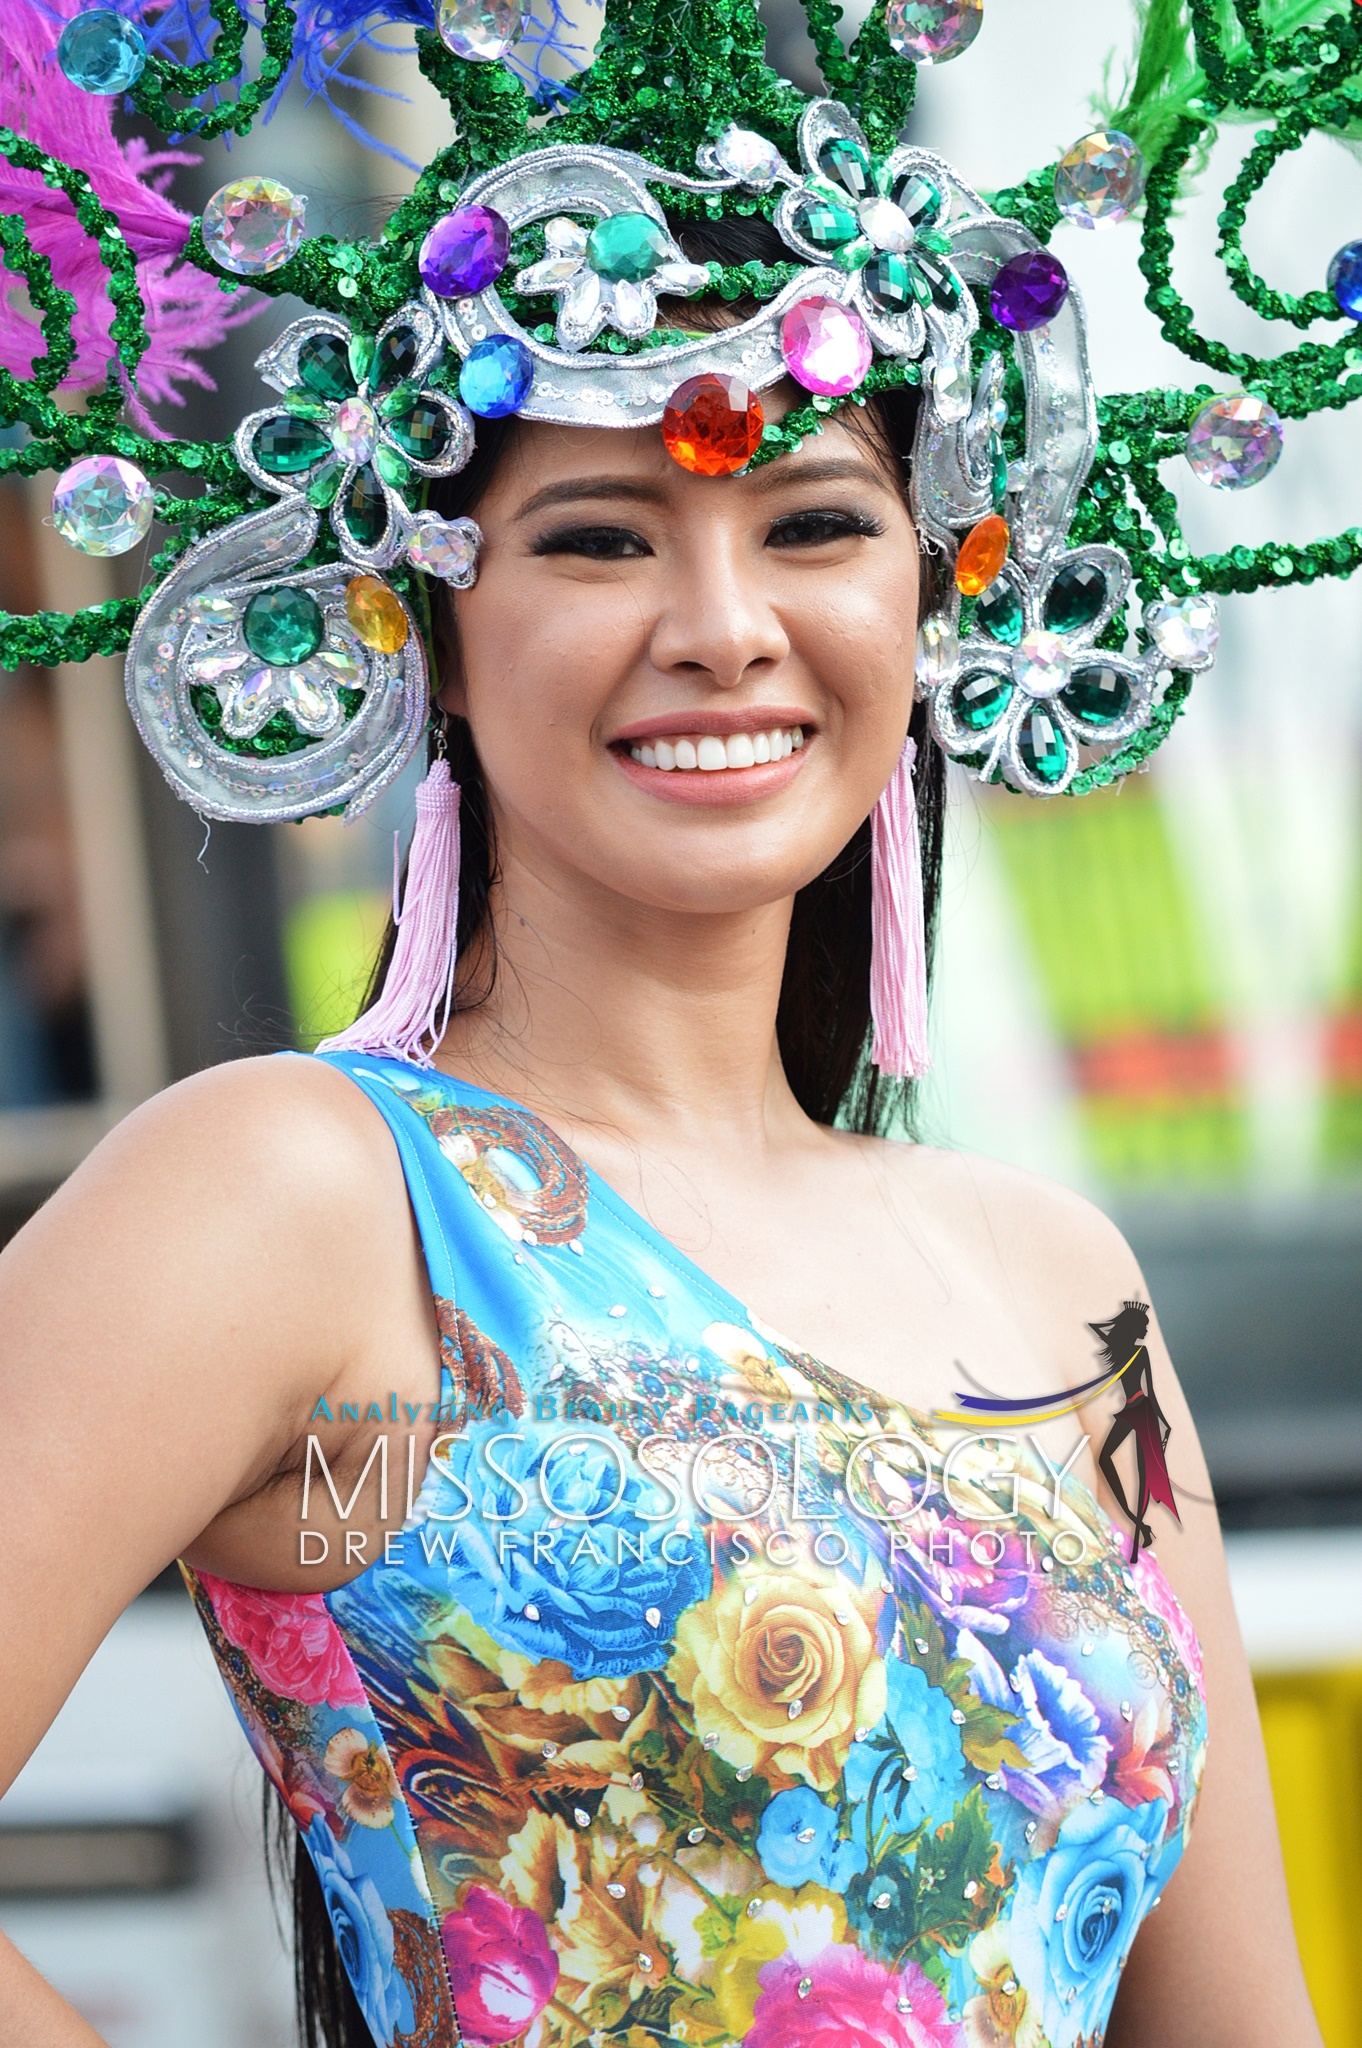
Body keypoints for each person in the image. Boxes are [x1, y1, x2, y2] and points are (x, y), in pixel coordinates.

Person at [0, 1, 1337, 2043]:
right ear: (422, 619)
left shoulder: (1057, 1289)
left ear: (934, 593)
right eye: (599, 536)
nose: (722, 624)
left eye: (814, 523)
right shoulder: (313, 1218)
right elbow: (389, 1514)